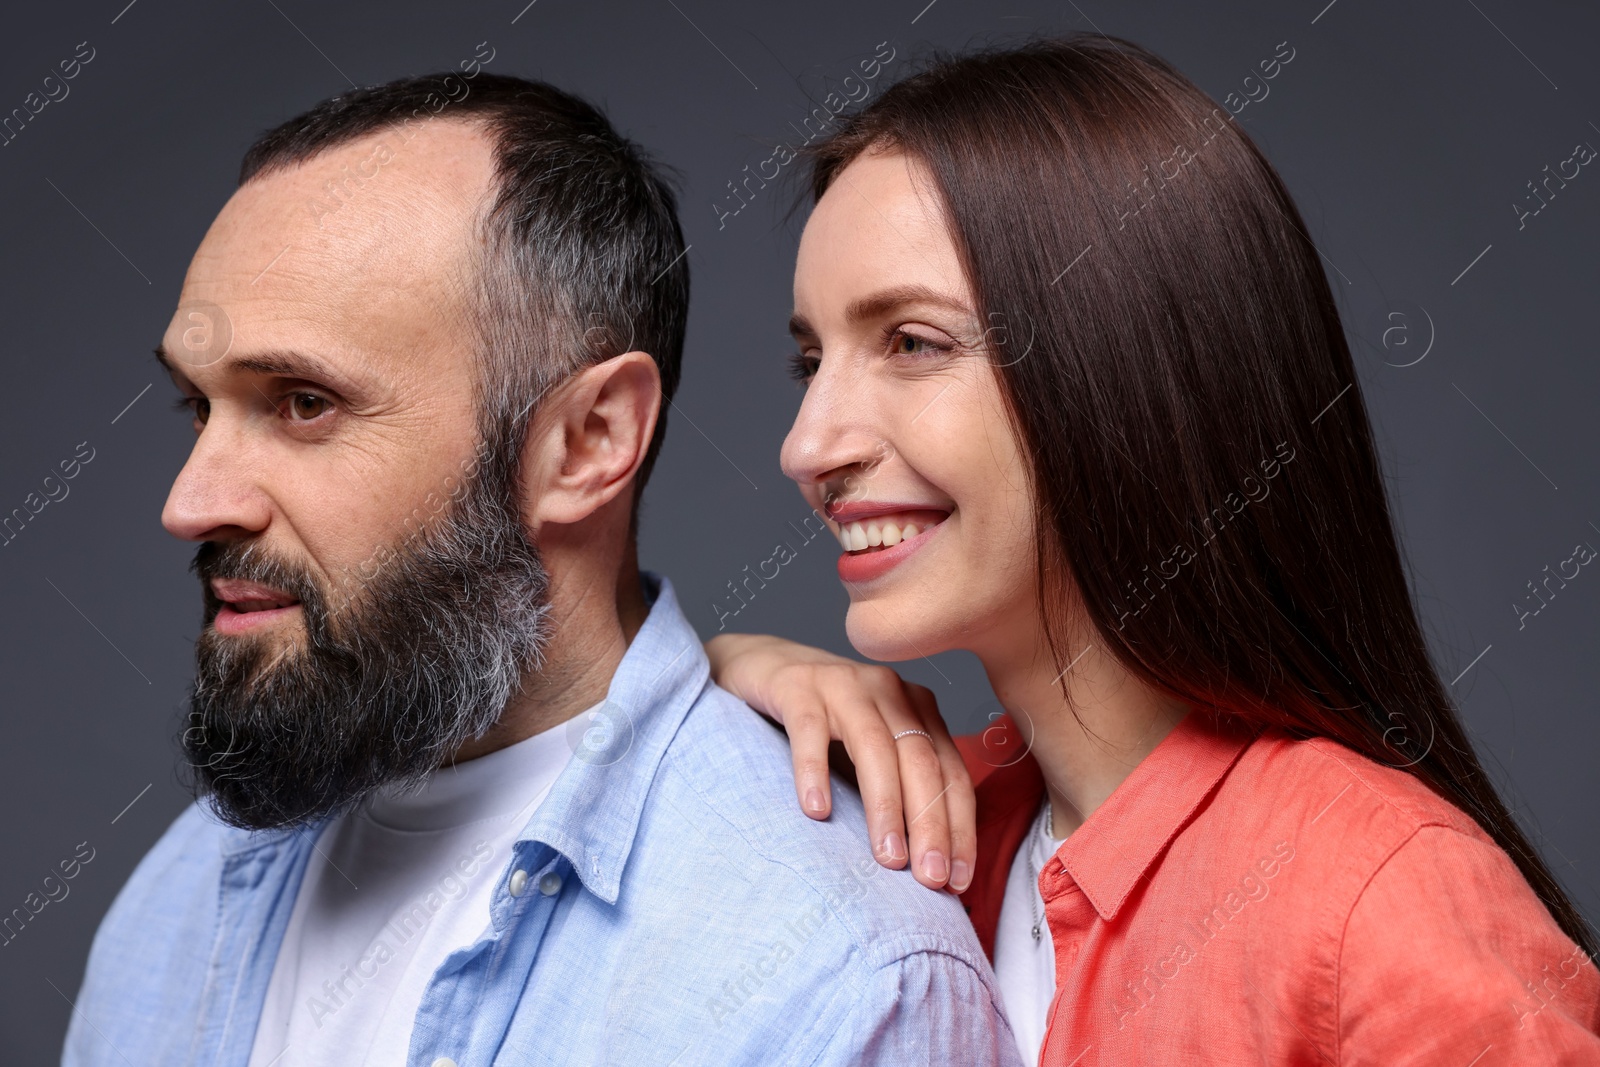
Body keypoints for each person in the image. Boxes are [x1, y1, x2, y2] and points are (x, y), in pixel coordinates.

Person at [61, 72, 1022, 1067]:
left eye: (303, 402)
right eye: (198, 407)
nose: (190, 500)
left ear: (586, 440)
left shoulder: (837, 981)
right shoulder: (183, 891)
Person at [707, 34, 1600, 1065]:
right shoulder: (920, 837)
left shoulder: (1377, 900)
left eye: (912, 342)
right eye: (809, 360)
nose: (805, 446)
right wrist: (726, 677)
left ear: (1123, 364)